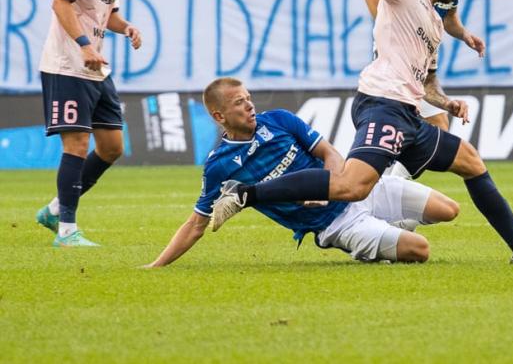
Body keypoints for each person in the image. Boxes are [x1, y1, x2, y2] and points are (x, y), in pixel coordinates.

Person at [210, 0, 513, 264]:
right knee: (352, 186)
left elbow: (426, 81)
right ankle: (245, 194)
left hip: (409, 114)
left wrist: (446, 103)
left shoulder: (433, 21)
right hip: (382, 103)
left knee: (471, 162)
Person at [144, 78, 460, 267]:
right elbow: (197, 224)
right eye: (240, 103)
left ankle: (386, 227)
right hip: (336, 225)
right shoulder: (220, 165)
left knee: (449, 210)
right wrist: (157, 265)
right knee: (420, 251)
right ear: (219, 115)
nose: (250, 106)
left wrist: (330, 188)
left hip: (361, 188)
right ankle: (365, 247)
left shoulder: (279, 120)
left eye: (249, 99)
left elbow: (330, 154)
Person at [35, 0, 143, 247]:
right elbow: (61, 3)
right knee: (77, 144)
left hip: (96, 66)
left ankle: (54, 208)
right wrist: (83, 46)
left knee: (112, 147)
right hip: (68, 63)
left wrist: (125, 26)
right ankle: (66, 230)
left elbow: (105, 13)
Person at [362, 0, 484, 181]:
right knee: (434, 130)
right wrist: (393, 31)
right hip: (396, 64)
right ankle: (383, 191)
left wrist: (465, 35)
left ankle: (385, 189)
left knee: (428, 133)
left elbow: (447, 14)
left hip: (420, 66)